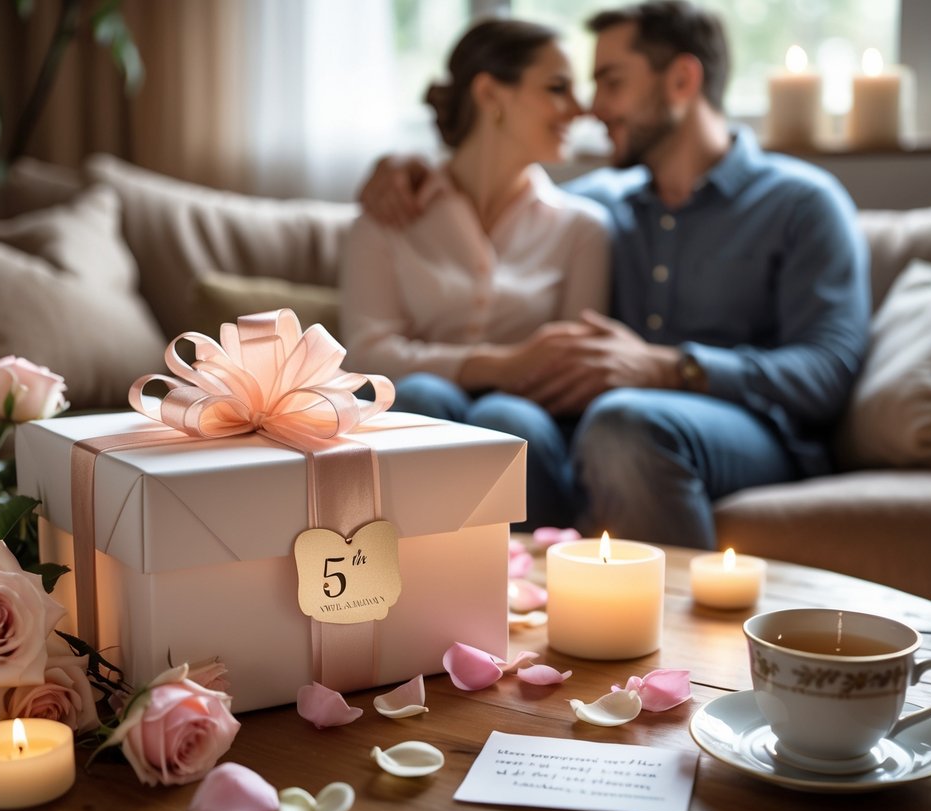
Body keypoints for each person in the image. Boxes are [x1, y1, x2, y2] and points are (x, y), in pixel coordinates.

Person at [359, 0, 870, 549]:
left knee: (622, 423)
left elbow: (827, 371)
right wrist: (397, 169)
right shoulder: (600, 208)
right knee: (483, 414)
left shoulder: (801, 203)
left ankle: (662, 627)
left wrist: (675, 369)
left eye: (610, 82)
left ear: (680, 79)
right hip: (603, 425)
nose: (593, 108)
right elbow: (504, 196)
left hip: (749, 430)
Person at [340, 18, 612, 530]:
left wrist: (513, 380)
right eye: (557, 89)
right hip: (419, 405)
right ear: (490, 94)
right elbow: (368, 356)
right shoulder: (389, 213)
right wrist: (501, 364)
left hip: (532, 419)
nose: (579, 109)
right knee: (421, 398)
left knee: (506, 420)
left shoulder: (583, 228)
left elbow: (573, 365)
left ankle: (522, 584)